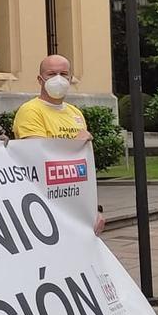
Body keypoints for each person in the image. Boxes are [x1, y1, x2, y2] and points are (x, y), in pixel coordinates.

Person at [14, 54, 106, 235]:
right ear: (40, 79)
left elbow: (85, 167)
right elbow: (37, 155)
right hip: (46, 205)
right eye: (51, 74)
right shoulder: (30, 111)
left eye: (64, 74)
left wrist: (94, 208)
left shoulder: (75, 113)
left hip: (75, 204)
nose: (58, 79)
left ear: (71, 79)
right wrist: (75, 143)